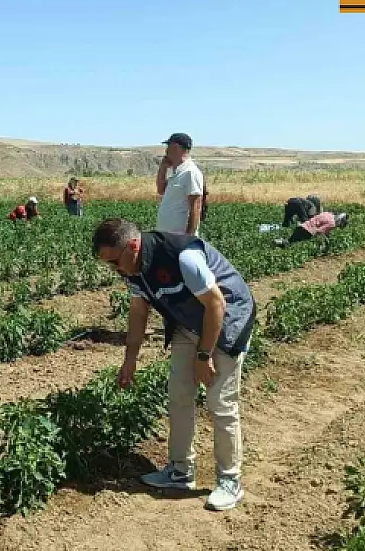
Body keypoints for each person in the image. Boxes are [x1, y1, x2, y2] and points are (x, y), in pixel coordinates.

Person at [93, 217, 255, 511]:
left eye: (115, 262)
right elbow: (138, 314)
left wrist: (204, 356)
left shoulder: (183, 257)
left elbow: (216, 304)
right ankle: (180, 471)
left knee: (220, 401)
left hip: (227, 317)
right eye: (109, 265)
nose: (114, 270)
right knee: (179, 394)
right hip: (187, 322)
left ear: (133, 246)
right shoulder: (131, 268)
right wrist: (129, 361)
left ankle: (230, 481)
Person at [156, 133, 205, 236]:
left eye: (168, 146)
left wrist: (188, 237)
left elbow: (196, 206)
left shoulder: (190, 172)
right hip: (167, 236)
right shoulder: (178, 173)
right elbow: (161, 190)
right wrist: (163, 168)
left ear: (176, 147)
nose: (166, 150)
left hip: (179, 238)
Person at [274, 211, 349, 247]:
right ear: (340, 222)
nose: (338, 226)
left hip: (301, 226)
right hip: (308, 232)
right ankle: (277, 243)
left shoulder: (328, 214)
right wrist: (325, 242)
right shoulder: (332, 224)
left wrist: (327, 235)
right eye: (340, 225)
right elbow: (320, 231)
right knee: (292, 244)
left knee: (290, 241)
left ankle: (277, 243)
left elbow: (323, 227)